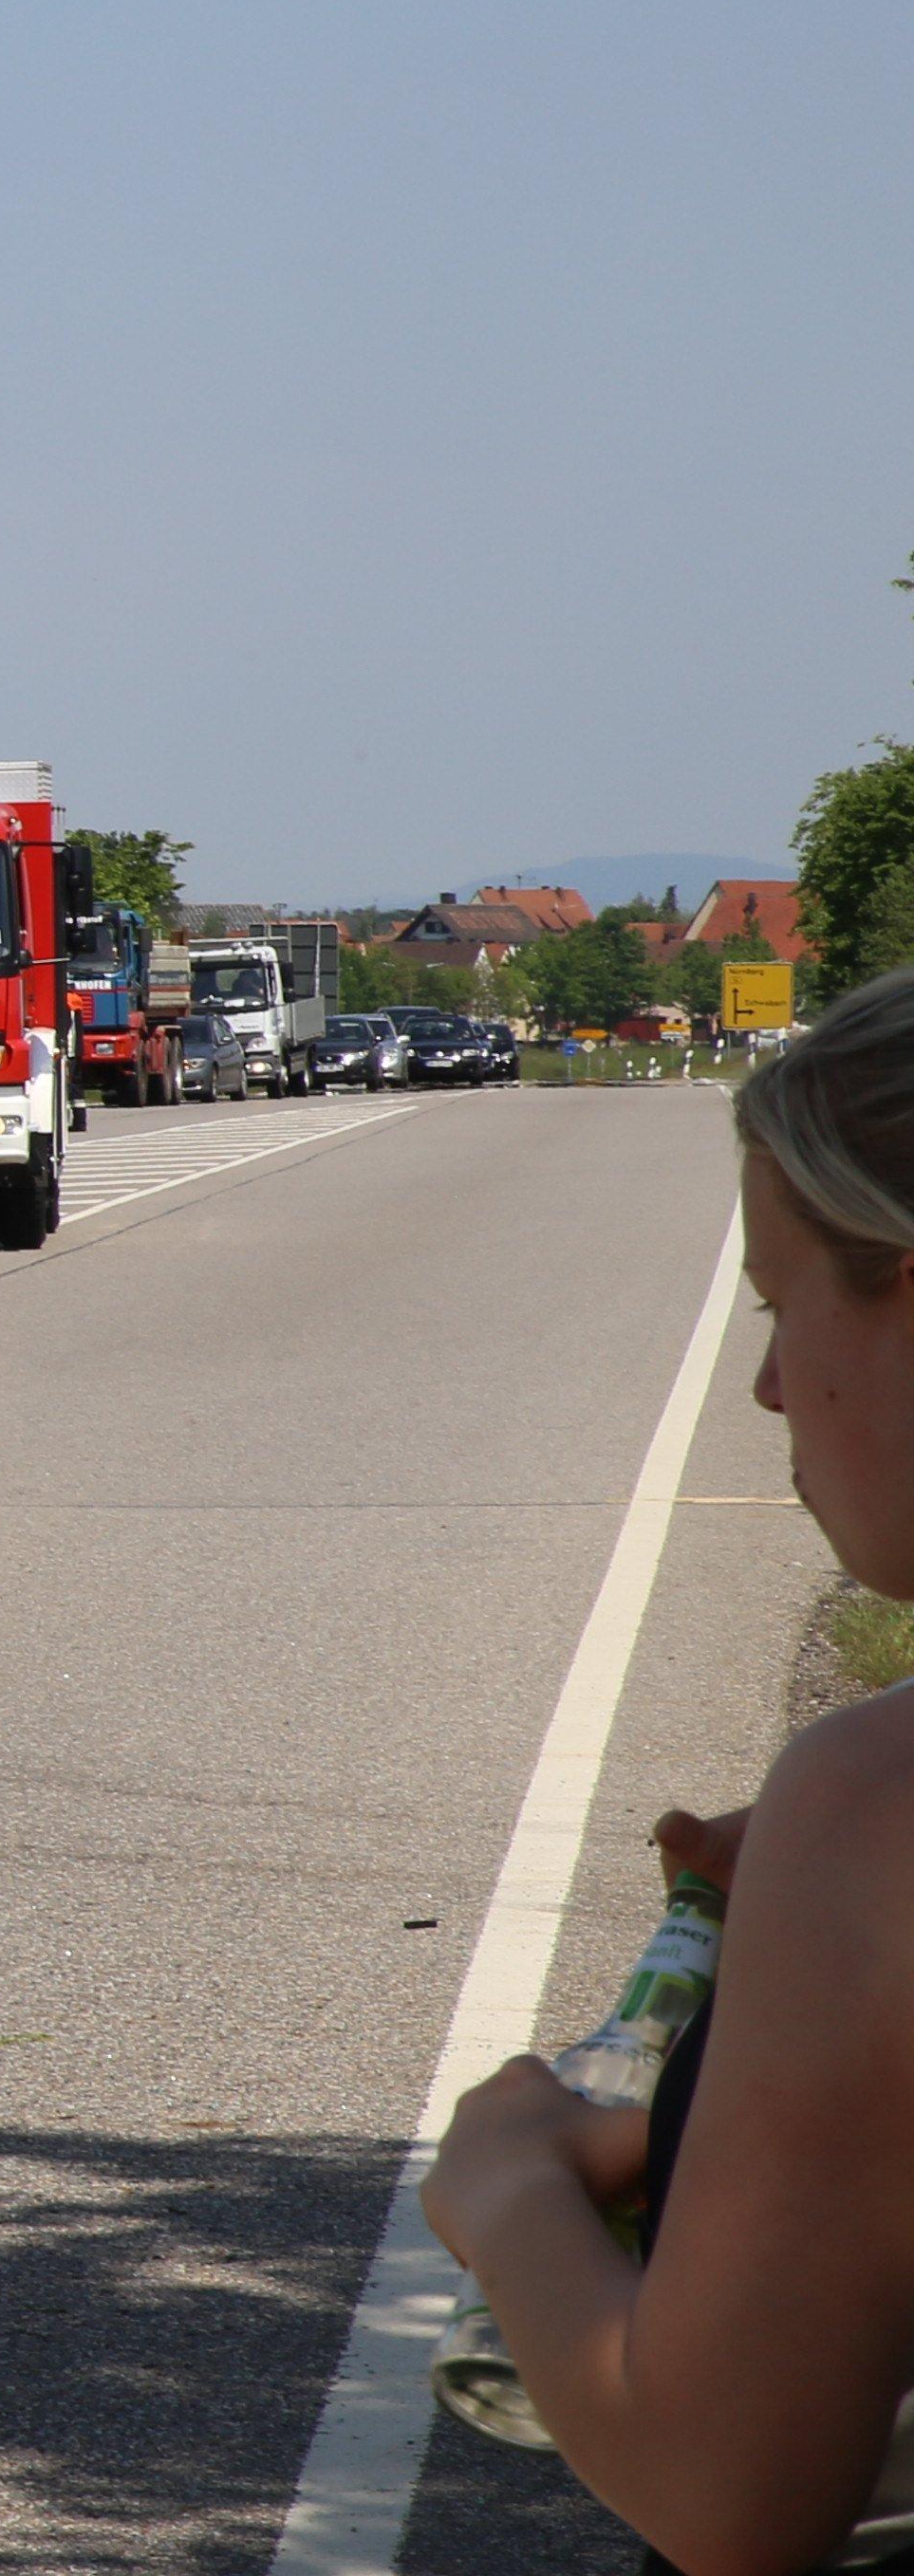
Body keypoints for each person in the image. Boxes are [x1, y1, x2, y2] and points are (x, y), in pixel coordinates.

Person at [421, 962, 914, 2574]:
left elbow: (723, 2491)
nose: (769, 1384)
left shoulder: (876, 1815)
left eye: (786, 1307)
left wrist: (503, 2190)